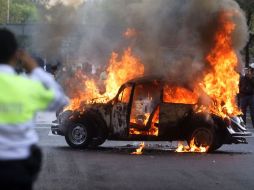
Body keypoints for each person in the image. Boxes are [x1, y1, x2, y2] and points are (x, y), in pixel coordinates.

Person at [0, 28, 68, 189]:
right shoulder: (28, 86)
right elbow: (60, 99)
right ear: (16, 55)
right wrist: (36, 70)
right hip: (19, 168)